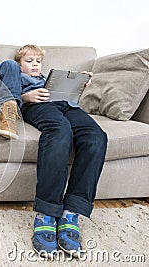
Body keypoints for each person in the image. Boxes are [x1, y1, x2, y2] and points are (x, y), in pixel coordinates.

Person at [14, 44, 108, 257]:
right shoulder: (16, 76)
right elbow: (8, 97)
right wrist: (27, 97)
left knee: (96, 137)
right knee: (60, 132)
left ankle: (71, 212)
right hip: (39, 106)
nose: (35, 65)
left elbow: (70, 94)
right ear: (19, 63)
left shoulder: (50, 78)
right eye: (29, 61)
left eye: (37, 61)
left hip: (68, 105)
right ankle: (46, 213)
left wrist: (79, 83)